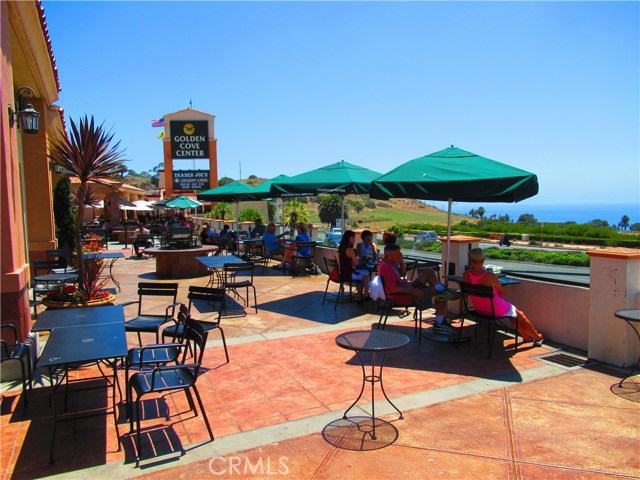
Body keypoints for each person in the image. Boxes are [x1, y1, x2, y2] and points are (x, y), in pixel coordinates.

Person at [463, 247, 543, 346]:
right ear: (483, 260)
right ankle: (537, 337)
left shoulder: (466, 274)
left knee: (514, 315)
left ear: (470, 259)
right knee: (519, 315)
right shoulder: (490, 276)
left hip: (479, 309)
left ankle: (526, 336)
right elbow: (501, 292)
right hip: (494, 310)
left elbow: (466, 295)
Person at [378, 243, 449, 331]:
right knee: (441, 293)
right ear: (390, 256)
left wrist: (401, 261)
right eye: (398, 254)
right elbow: (392, 289)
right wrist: (411, 291)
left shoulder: (390, 263)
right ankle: (439, 322)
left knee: (428, 271)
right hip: (404, 296)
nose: (400, 255)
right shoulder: (386, 267)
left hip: (408, 288)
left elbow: (403, 274)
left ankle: (438, 287)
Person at [337, 230, 370, 300]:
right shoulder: (350, 249)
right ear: (349, 238)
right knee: (366, 274)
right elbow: (356, 263)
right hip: (349, 275)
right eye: (353, 237)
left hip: (343, 273)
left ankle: (358, 295)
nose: (354, 239)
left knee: (361, 274)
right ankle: (366, 294)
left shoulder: (341, 248)